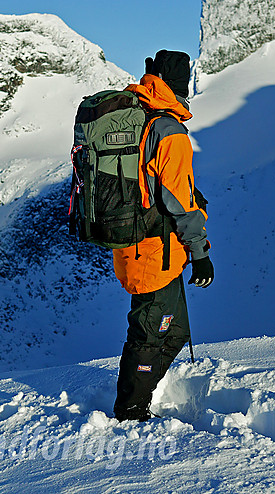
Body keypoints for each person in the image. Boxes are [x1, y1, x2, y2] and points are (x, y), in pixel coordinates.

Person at [112, 50, 214, 422]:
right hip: (157, 251)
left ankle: (138, 399)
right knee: (152, 331)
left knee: (173, 331)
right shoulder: (169, 130)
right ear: (180, 85)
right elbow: (178, 200)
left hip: (135, 245)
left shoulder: (138, 116)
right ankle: (131, 411)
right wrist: (199, 251)